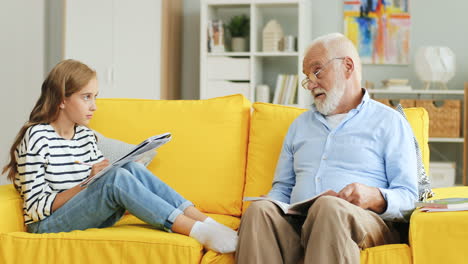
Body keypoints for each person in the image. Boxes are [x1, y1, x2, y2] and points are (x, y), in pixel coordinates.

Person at [2, 59, 237, 254]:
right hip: (47, 225)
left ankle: (204, 221)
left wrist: (117, 168)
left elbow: (94, 185)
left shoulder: (84, 135)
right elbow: (34, 209)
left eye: (95, 97)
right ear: (62, 99)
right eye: (86, 97)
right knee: (115, 178)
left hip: (82, 214)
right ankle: (194, 229)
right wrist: (86, 184)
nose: (94, 106)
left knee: (130, 170)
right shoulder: (36, 138)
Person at [236, 33, 418, 263]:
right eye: (306, 77)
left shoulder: (389, 122)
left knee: (329, 206)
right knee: (258, 211)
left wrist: (375, 196)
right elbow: (283, 188)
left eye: (317, 71)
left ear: (347, 66)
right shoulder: (299, 126)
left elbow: (410, 197)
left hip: (361, 223)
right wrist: (271, 200)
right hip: (299, 224)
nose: (310, 84)